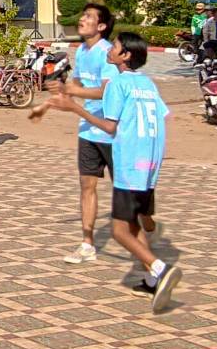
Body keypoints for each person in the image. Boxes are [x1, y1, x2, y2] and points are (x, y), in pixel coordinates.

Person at [47, 31, 182, 313]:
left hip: (129, 164)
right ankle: (151, 278)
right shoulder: (147, 83)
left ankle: (161, 268)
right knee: (133, 225)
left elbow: (110, 127)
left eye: (116, 47)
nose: (111, 49)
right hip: (149, 163)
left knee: (119, 231)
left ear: (125, 55)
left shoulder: (117, 84)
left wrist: (74, 108)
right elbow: (162, 115)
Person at [31, 3, 121, 265]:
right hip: (88, 131)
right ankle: (87, 244)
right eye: (83, 15)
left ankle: (141, 234)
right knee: (87, 187)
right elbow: (78, 85)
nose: (82, 19)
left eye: (89, 17)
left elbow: (106, 92)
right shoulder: (81, 51)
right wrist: (50, 101)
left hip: (113, 130)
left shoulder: (108, 53)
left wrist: (70, 91)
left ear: (101, 26)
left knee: (124, 191)